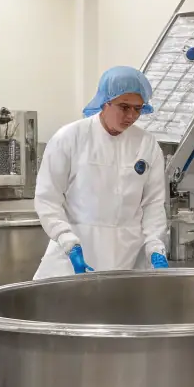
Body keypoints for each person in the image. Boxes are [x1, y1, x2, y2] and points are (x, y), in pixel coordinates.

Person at [32, 66, 169, 279]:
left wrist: (154, 244)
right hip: (75, 254)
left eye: (138, 108)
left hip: (128, 258)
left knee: (121, 311)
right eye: (124, 107)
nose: (131, 116)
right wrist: (66, 239)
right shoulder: (69, 138)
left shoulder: (147, 144)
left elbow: (153, 203)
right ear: (105, 102)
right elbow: (48, 198)